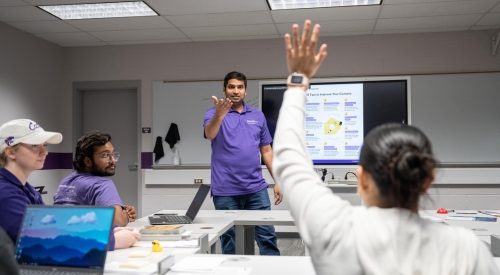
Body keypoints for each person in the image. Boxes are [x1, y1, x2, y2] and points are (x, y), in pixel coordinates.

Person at [272, 20, 498, 274]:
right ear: (427, 179)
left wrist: (298, 82)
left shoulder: (335, 229)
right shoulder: (466, 249)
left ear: (362, 179)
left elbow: (288, 155)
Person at [0, 119, 140, 250]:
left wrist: (105, 230)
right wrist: (112, 241)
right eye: (35, 145)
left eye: (45, 145)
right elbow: (39, 240)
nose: (45, 152)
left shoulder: (26, 189)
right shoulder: (5, 192)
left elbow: (50, 226)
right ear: (10, 152)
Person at [204, 71, 282, 255]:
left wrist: (278, 180)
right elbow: (210, 134)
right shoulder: (213, 113)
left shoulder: (258, 116)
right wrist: (220, 114)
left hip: (256, 188)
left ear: (245, 91)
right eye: (231, 87)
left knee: (267, 237)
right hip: (225, 190)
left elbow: (267, 150)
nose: (235, 91)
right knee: (230, 240)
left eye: (240, 87)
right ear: (225, 90)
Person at [54, 131, 137, 227]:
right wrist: (126, 216)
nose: (113, 160)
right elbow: (116, 222)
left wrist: (120, 210)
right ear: (87, 161)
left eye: (113, 154)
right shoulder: (102, 184)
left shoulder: (66, 181)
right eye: (105, 155)